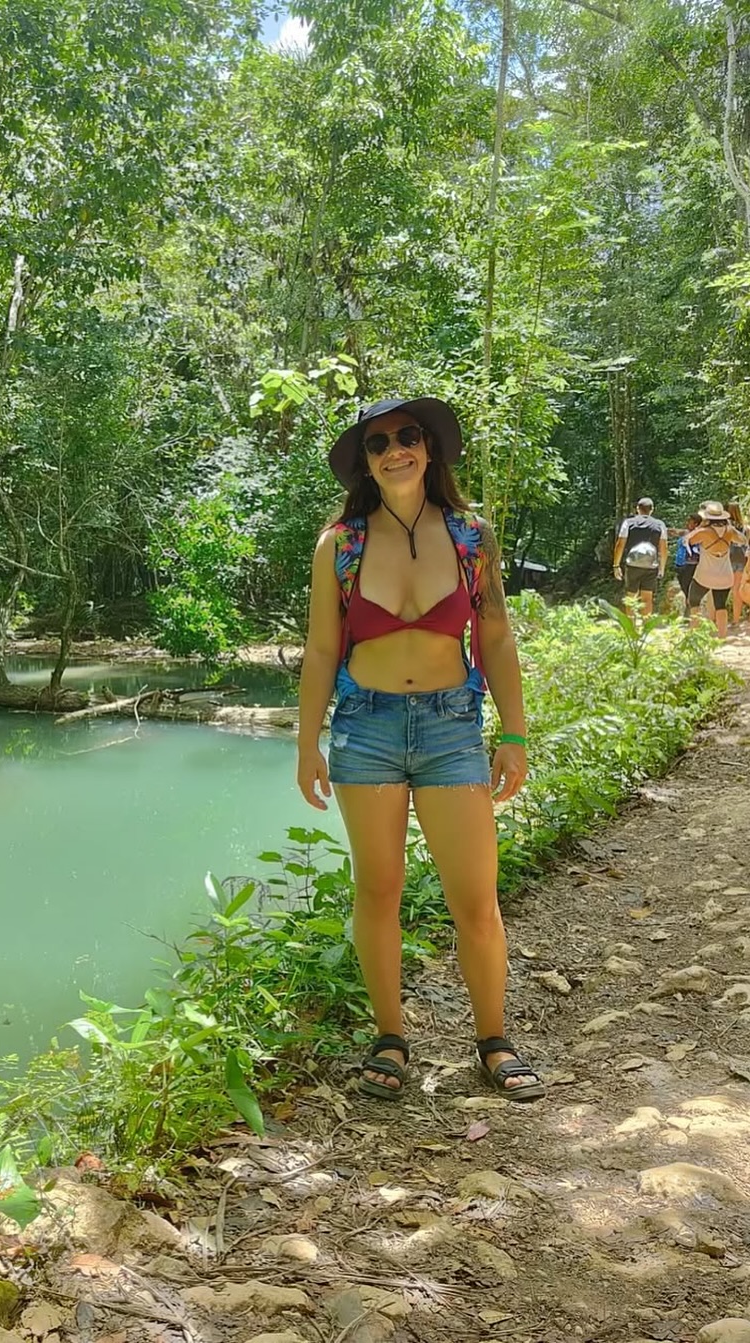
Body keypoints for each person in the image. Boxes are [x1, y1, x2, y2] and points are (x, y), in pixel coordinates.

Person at [296, 396, 544, 1104]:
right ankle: (390, 1037)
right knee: (378, 890)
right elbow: (319, 650)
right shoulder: (339, 544)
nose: (395, 450)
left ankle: (494, 1038)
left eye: (408, 437)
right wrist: (306, 741)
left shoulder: (472, 536)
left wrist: (515, 733)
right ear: (366, 465)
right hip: (365, 729)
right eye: (379, 444)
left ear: (430, 449)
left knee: (476, 899)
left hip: (451, 727)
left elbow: (494, 637)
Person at [686, 502, 747, 639]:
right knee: (721, 605)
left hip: (704, 575)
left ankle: (693, 634)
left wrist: (701, 526)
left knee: (694, 600)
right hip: (725, 575)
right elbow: (743, 540)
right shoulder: (730, 531)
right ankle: (722, 636)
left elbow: (688, 541)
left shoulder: (703, 532)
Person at [612, 498, 667, 616]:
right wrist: (662, 568)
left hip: (632, 564)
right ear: (652, 510)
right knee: (647, 598)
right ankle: (645, 629)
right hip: (651, 565)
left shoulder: (628, 523)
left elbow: (620, 544)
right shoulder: (660, 524)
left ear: (637, 509)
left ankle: (631, 628)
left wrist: (616, 565)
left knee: (631, 598)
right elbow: (663, 548)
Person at [673, 512, 702, 619]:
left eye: (690, 521)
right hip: (680, 564)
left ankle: (690, 612)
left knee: (688, 588)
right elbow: (675, 532)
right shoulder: (686, 533)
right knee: (684, 588)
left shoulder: (698, 534)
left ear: (696, 523)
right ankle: (688, 609)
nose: (687, 523)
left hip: (690, 565)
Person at [728, 503, 747, 626]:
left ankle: (717, 619)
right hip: (741, 560)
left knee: (722, 590)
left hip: (728, 560)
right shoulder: (746, 528)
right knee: (736, 591)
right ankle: (736, 620)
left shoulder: (726, 527)